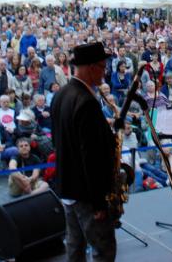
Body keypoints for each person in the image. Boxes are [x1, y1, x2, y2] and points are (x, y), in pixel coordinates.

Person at [51, 41, 117, 262]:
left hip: (68, 188)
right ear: (91, 67)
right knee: (102, 249)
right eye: (102, 66)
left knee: (75, 246)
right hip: (87, 194)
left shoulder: (61, 95)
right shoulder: (86, 102)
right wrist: (99, 202)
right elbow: (91, 157)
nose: (104, 72)